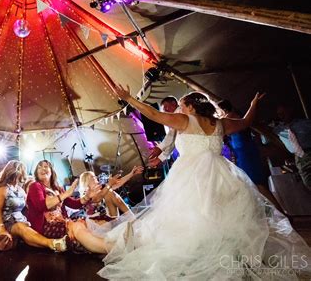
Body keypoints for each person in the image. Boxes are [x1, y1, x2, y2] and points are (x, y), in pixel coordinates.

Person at [67, 86, 311, 279]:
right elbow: (246, 122)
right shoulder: (220, 124)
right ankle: (225, 254)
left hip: (192, 178)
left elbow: (152, 113)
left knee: (189, 222)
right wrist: (253, 105)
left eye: (182, 105)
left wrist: (129, 98)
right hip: (223, 177)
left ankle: (202, 257)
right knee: (222, 220)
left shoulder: (185, 121)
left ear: (192, 107)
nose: (179, 110)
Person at [0, 160, 68, 252]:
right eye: (20, 170)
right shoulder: (3, 188)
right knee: (21, 227)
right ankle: (52, 243)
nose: (22, 173)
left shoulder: (20, 189)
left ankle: (55, 243)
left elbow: (31, 204)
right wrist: (1, 228)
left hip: (21, 220)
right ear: (12, 172)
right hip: (6, 222)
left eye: (22, 171)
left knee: (31, 230)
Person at [26, 160, 89, 240]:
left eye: (46, 166)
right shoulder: (35, 186)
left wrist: (87, 196)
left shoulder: (58, 189)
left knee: (85, 223)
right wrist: (66, 193)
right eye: (39, 167)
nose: (42, 169)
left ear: (51, 171)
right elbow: (41, 206)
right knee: (76, 230)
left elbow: (74, 204)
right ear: (36, 173)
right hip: (45, 226)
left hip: (62, 221)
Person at [218, 99, 265, 185]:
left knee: (254, 182)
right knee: (253, 183)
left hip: (244, 152)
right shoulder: (234, 117)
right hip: (244, 150)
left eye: (218, 111)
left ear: (223, 109)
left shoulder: (230, 118)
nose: (217, 114)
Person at [78, 166, 143, 219]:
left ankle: (132, 217)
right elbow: (97, 198)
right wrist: (109, 184)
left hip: (110, 219)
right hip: (98, 224)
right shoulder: (86, 195)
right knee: (108, 192)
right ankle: (132, 218)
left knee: (109, 192)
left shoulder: (102, 190)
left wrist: (132, 174)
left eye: (95, 177)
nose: (96, 179)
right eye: (93, 178)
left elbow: (118, 183)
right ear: (86, 182)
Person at [271, 104, 311, 190]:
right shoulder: (278, 129)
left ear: (290, 111)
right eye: (279, 114)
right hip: (299, 157)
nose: (282, 115)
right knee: (308, 181)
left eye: (283, 112)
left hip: (309, 150)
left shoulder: (304, 123)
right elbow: (264, 140)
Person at [148, 96, 179, 167]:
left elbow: (171, 136)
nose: (166, 111)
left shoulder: (179, 113)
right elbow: (173, 140)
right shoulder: (174, 117)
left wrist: (159, 149)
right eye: (164, 110)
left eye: (166, 107)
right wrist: (161, 157)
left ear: (174, 103)